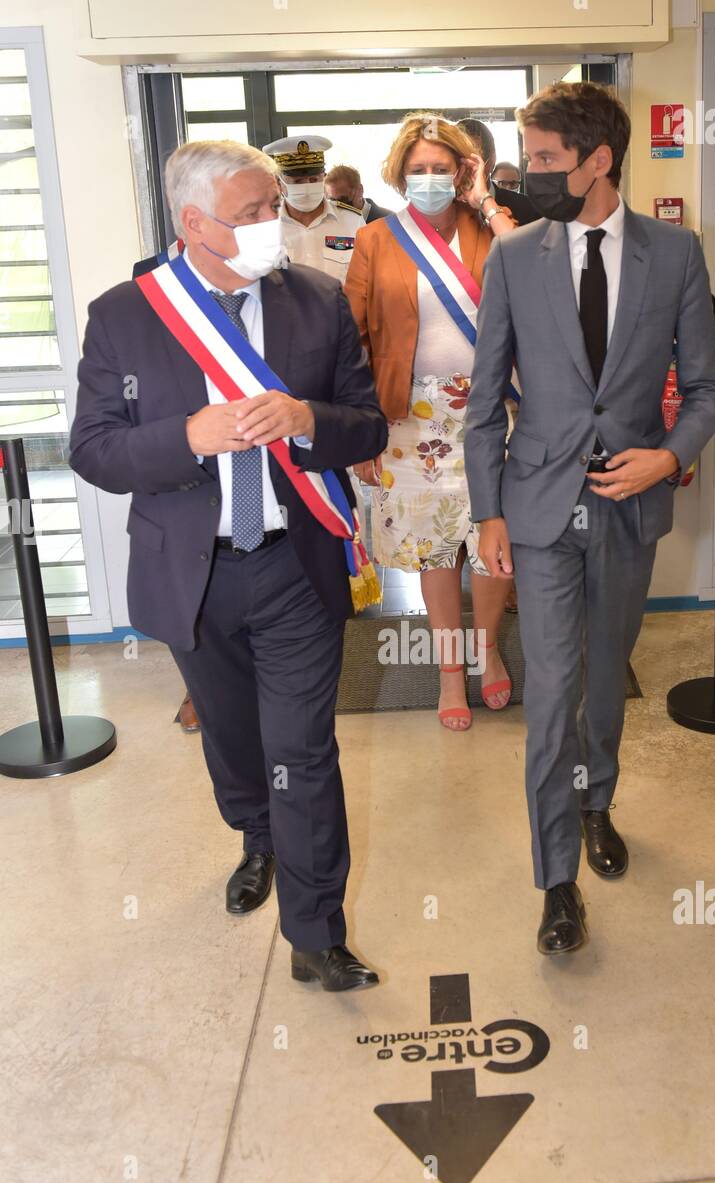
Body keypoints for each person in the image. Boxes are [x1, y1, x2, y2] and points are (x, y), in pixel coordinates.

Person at [70, 140, 388, 993]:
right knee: (238, 740)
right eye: (249, 215)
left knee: (304, 748)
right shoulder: (124, 315)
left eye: (271, 210)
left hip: (295, 565)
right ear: (193, 222)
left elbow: (368, 426)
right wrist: (189, 438)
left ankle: (317, 932)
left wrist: (305, 417)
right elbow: (94, 451)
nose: (268, 228)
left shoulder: (316, 301)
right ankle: (256, 836)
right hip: (194, 573)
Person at [464, 83, 715, 955]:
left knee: (606, 674)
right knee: (550, 691)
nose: (528, 174)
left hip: (628, 503)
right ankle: (556, 883)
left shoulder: (676, 255)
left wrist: (671, 454)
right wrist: (487, 513)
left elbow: (703, 390)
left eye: (543, 160)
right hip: (537, 505)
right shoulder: (512, 258)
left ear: (597, 160)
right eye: (529, 157)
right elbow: (481, 404)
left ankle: (596, 804)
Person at [343, 113, 518, 730]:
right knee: (436, 548)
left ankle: (487, 647)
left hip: (495, 411)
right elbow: (354, 338)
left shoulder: (494, 230)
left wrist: (486, 202)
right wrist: (362, 428)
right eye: (418, 170)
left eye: (441, 169)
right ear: (399, 174)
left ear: (463, 171)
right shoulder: (377, 240)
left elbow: (535, 277)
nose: (429, 179)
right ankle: (450, 667)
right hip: (409, 417)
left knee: (494, 543)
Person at [263, 134, 364, 283]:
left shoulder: (352, 222)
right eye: (297, 181)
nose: (307, 186)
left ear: (324, 177)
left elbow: (368, 277)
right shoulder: (265, 226)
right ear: (279, 183)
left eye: (313, 179)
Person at [457, 118, 540, 228]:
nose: (465, 170)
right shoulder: (440, 208)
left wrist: (485, 201)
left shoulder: (527, 209)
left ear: (492, 161)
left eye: (474, 162)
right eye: (458, 160)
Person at [325, 163, 393, 223]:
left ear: (360, 190)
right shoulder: (328, 222)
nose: (338, 207)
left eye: (343, 201)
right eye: (332, 201)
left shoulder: (390, 221)